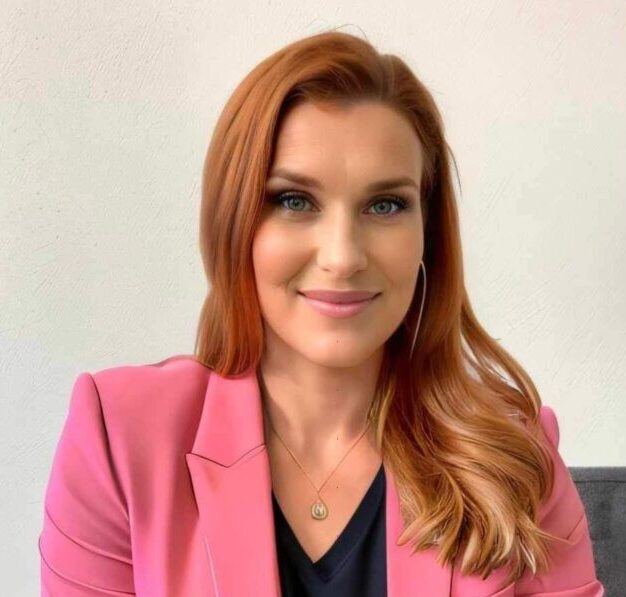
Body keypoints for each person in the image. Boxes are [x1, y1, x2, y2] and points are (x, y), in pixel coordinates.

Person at [38, 30, 605, 596]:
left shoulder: (512, 457)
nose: (342, 257)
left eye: (385, 205)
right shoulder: (119, 441)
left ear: (427, 234)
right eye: (294, 200)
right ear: (233, 223)